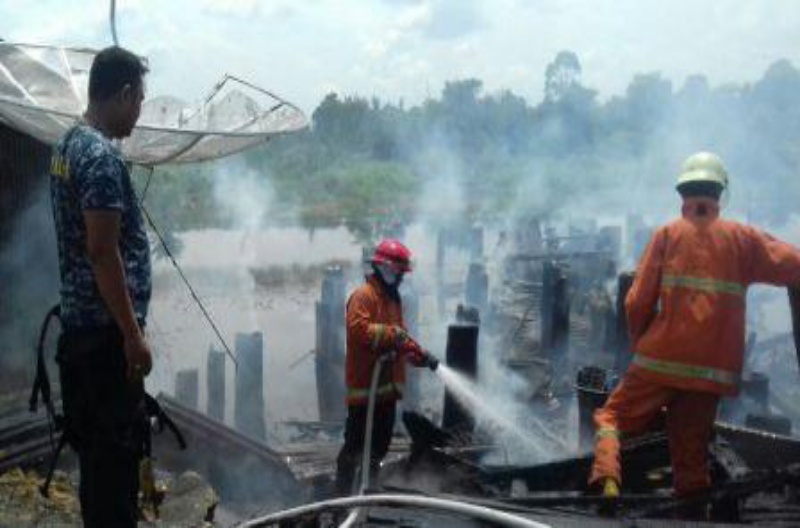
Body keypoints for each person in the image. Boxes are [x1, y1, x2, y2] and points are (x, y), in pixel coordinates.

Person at [589, 152, 800, 505]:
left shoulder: (667, 235)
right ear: (719, 193)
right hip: (711, 373)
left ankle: (608, 479)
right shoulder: (743, 239)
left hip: (658, 361)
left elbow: (636, 302)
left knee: (610, 416)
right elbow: (793, 264)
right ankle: (691, 512)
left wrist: (640, 344)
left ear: (683, 194)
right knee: (691, 455)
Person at [50, 45, 151, 528]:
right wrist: (133, 334)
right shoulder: (100, 157)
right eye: (140, 102)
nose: (138, 114)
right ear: (125, 93)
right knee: (114, 468)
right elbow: (102, 251)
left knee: (97, 463)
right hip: (107, 340)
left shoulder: (67, 145)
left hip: (81, 335)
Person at [335, 239, 437, 496]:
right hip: (364, 390)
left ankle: (367, 491)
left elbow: (400, 338)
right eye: (400, 273)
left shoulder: (393, 301)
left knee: (379, 447)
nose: (402, 278)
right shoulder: (363, 296)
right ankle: (340, 497)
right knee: (355, 447)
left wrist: (420, 355)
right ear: (387, 269)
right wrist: (393, 335)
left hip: (386, 392)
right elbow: (360, 331)